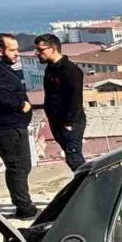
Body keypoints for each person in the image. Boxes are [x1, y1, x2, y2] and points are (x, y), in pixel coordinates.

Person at [0, 33, 36, 219]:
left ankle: (23, 204)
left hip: (8, 125)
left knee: (20, 166)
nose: (16, 53)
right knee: (18, 166)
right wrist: (21, 105)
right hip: (5, 127)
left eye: (17, 49)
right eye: (12, 50)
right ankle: (24, 207)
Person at [33, 34, 86, 172]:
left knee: (74, 158)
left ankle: (91, 184)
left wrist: (69, 122)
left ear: (53, 48)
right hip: (56, 121)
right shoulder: (50, 69)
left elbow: (75, 98)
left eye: (41, 50)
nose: (38, 54)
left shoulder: (71, 71)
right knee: (70, 157)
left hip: (70, 123)